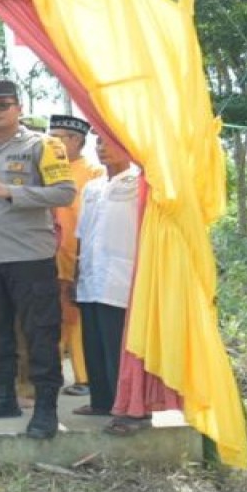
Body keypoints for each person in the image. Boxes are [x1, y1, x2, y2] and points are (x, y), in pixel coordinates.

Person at [0, 80, 75, 440]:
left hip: (29, 254)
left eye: (2, 105)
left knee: (40, 332)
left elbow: (65, 192)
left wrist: (10, 191)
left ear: (18, 108)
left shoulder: (44, 145)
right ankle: (3, 395)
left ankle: (45, 409)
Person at [73, 134, 147, 434]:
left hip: (122, 275)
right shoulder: (93, 186)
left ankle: (132, 410)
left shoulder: (141, 184)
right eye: (99, 143)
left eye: (109, 142)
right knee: (94, 340)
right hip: (91, 274)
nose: (101, 148)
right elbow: (82, 232)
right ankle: (102, 400)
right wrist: (77, 271)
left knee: (120, 344)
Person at [49, 114, 104, 397]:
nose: (52, 143)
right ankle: (51, 374)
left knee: (77, 319)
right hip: (46, 256)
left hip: (78, 257)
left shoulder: (94, 173)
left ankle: (84, 378)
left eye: (58, 137)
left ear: (77, 140)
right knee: (50, 317)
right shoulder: (44, 169)